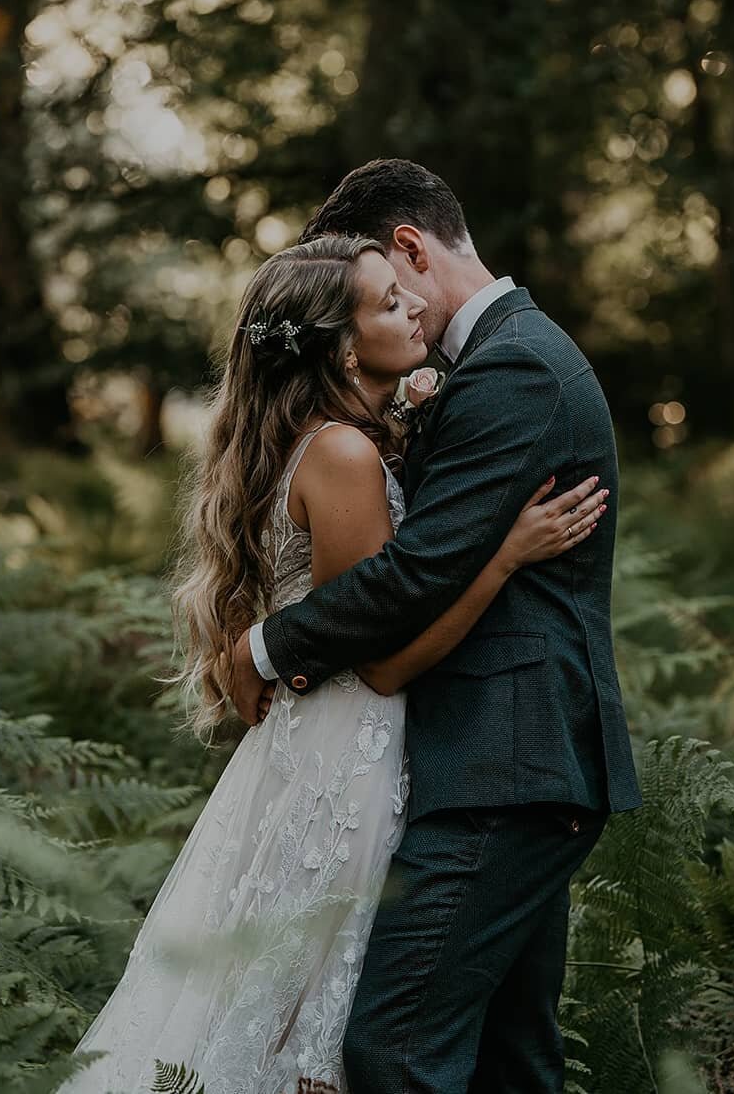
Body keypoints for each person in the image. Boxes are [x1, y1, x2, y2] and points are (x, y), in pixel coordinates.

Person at [58, 231, 605, 1094]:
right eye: (388, 302)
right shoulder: (344, 455)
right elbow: (385, 665)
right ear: (345, 347)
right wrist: (504, 556)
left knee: (285, 1003)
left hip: (322, 741)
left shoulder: (338, 439)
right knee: (318, 1023)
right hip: (350, 754)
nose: (414, 306)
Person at [230, 159, 644, 1094]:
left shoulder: (516, 366)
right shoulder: (494, 361)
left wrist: (266, 645)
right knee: (512, 1060)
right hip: (502, 761)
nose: (396, 317)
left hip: (505, 765)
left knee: (395, 1049)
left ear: (408, 247)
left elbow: (415, 573)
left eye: (378, 284)